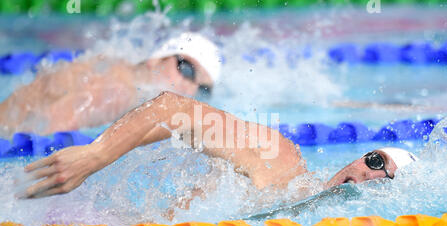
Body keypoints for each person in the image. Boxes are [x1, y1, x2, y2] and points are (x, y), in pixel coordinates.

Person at [20, 91, 418, 199]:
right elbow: (173, 108)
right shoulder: (280, 160)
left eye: (385, 178)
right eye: (373, 159)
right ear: (357, 156)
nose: (369, 174)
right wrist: (96, 154)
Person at [0, 32, 221, 136]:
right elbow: (44, 136)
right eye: (187, 70)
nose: (190, 89)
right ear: (158, 57)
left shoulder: (113, 65)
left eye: (203, 90)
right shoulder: (120, 92)